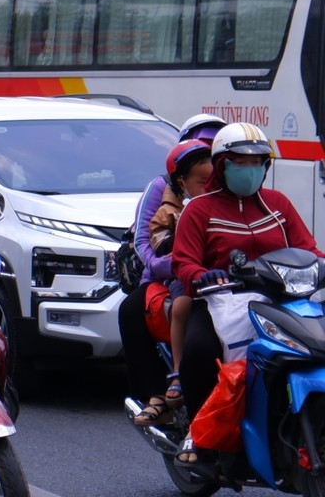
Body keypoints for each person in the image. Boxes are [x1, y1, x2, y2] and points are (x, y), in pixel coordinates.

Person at [172, 122, 325, 464]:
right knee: (199, 352)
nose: (250, 169)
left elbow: (308, 248)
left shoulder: (277, 204)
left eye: (257, 162)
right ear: (223, 165)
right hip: (218, 303)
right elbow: (183, 263)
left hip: (281, 301)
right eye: (240, 162)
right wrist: (202, 274)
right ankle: (198, 434)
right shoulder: (199, 210)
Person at [117, 112, 226, 410]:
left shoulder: (232, 194)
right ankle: (157, 393)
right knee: (131, 310)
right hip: (168, 276)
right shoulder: (161, 191)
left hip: (221, 278)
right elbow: (143, 241)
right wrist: (171, 265)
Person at [131, 139, 212, 427]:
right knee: (182, 307)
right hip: (186, 277)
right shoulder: (173, 208)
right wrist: (177, 252)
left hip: (227, 280)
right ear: (181, 180)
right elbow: (152, 238)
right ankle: (178, 375)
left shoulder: (232, 203)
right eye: (202, 179)